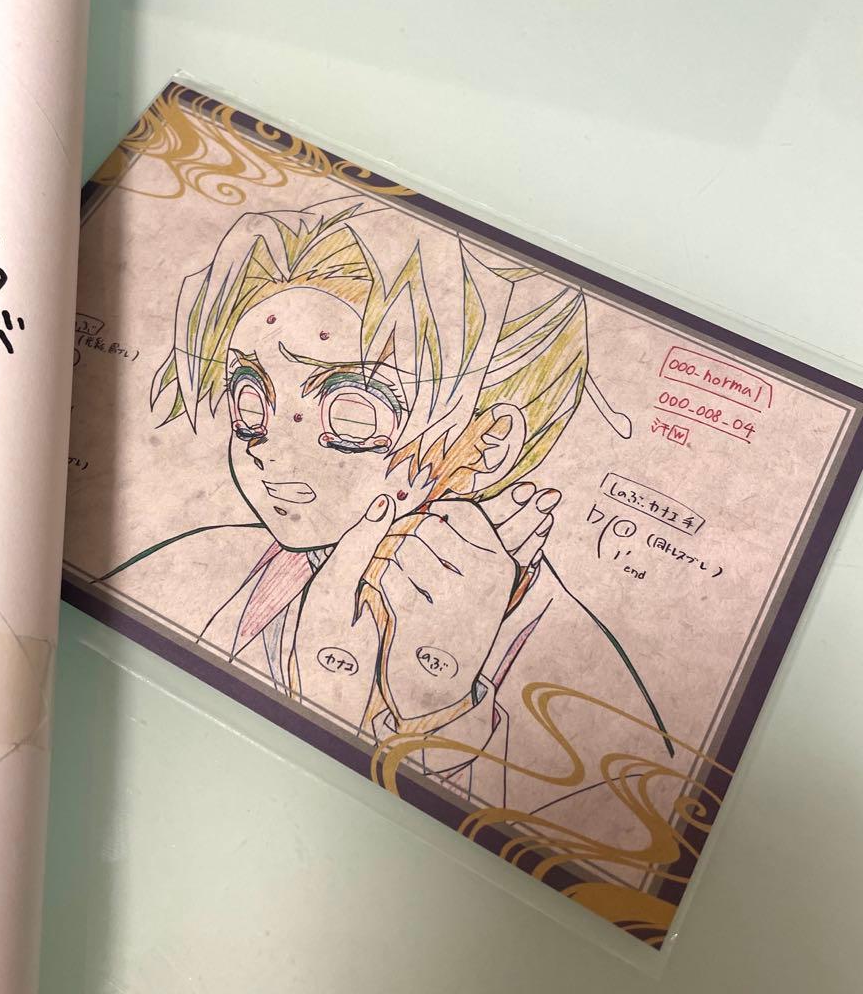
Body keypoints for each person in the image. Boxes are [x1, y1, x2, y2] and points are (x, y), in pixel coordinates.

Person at [101, 196, 673, 825]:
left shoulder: (596, 703)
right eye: (250, 398)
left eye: (352, 410)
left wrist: (438, 703)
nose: (270, 446)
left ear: (487, 444)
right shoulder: (195, 569)